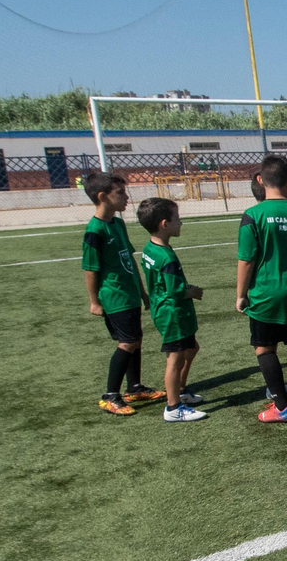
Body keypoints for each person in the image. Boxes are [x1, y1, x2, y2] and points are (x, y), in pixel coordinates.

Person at [238, 155, 287, 423]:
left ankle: (281, 407)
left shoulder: (253, 215)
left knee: (265, 349)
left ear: (260, 180)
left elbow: (246, 259)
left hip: (266, 295)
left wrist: (240, 295)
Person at [80, 171, 162, 415]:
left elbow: (128, 258)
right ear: (103, 197)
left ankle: (134, 387)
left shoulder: (117, 224)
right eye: (121, 193)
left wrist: (142, 291)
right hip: (114, 296)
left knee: (136, 339)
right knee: (127, 343)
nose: (127, 197)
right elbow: (90, 268)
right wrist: (94, 301)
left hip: (129, 293)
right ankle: (110, 395)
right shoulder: (95, 231)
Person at [137, 197, 205, 422]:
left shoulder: (150, 247)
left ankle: (181, 390)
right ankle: (173, 407)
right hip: (172, 313)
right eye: (177, 218)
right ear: (164, 224)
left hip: (165, 309)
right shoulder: (166, 257)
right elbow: (175, 291)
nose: (181, 222)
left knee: (192, 348)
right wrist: (192, 291)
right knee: (174, 359)